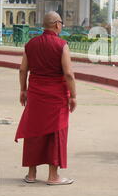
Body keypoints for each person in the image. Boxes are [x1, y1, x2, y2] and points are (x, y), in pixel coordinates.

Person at [15, 11, 77, 185]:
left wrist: (23, 90)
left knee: (33, 132)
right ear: (57, 24)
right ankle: (53, 176)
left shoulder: (31, 44)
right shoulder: (61, 45)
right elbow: (69, 74)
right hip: (56, 95)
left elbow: (22, 70)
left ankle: (32, 174)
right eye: (62, 23)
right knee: (55, 133)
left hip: (35, 93)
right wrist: (73, 96)